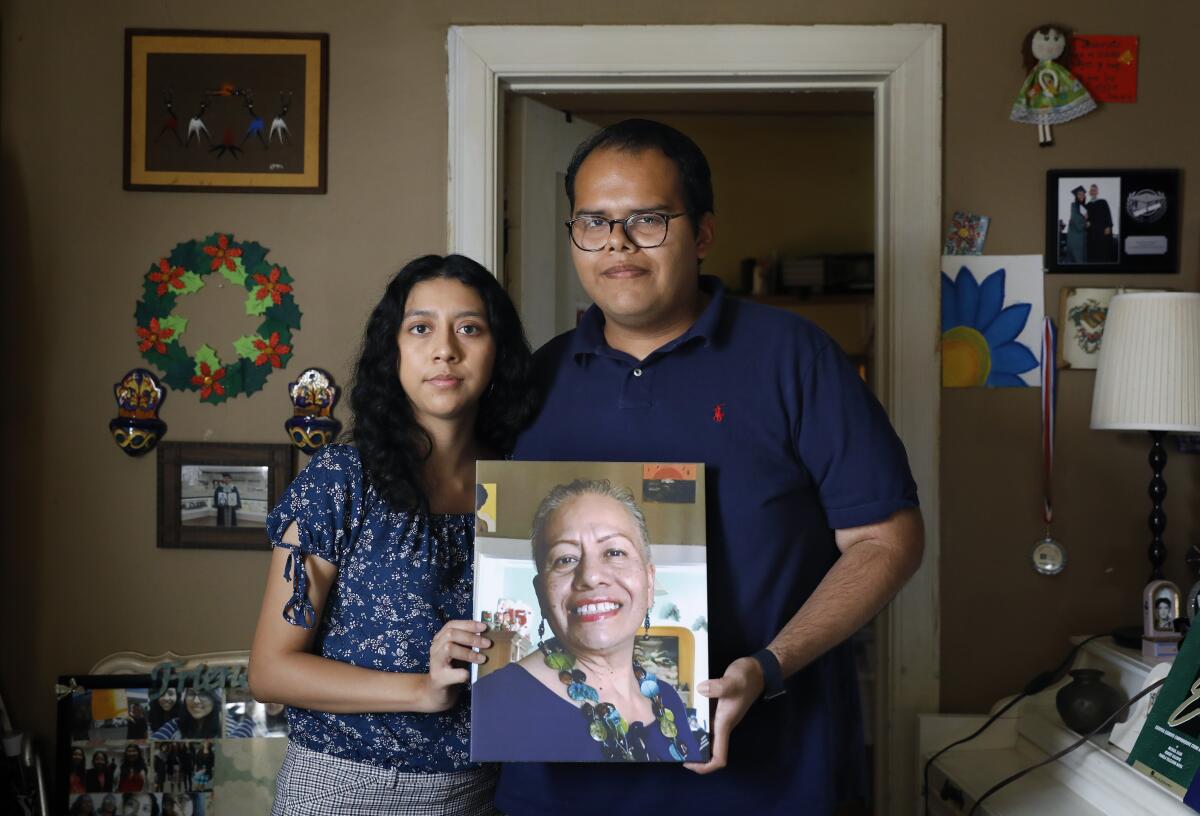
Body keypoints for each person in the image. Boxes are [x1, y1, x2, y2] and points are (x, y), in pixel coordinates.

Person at [500, 119, 923, 815]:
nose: (617, 244)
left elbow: (888, 541)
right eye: (594, 222)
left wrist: (771, 665)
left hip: (768, 782)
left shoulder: (794, 358)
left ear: (701, 234)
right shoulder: (530, 381)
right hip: (562, 787)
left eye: (648, 220)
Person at [248, 254, 536, 815]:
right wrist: (420, 690)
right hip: (344, 789)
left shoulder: (524, 487)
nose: (445, 349)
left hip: (482, 794)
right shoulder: (341, 479)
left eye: (470, 328)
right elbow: (270, 670)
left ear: (498, 351)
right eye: (421, 327)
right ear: (394, 351)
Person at [472, 479, 701, 762]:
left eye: (615, 552)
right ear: (541, 593)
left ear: (649, 582)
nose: (591, 576)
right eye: (565, 559)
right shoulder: (492, 704)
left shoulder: (667, 699)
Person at [150, 689, 221, 740]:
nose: (196, 701)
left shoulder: (225, 726)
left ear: (215, 698)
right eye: (191, 693)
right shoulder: (175, 724)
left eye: (204, 694)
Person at [1086, 183, 1115, 263]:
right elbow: (1086, 219)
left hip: (1103, 230)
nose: (1093, 191)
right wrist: (1087, 222)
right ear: (1089, 192)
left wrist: (1109, 226)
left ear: (1097, 192)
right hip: (1093, 232)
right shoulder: (1087, 205)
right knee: (1093, 252)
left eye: (1095, 190)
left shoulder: (1103, 202)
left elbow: (1108, 214)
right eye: (1091, 190)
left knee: (1104, 251)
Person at [1065, 185, 1088, 263]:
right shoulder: (1074, 206)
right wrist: (1086, 223)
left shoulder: (1085, 207)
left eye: (1083, 194)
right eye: (1079, 194)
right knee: (1078, 262)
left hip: (1083, 239)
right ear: (1076, 196)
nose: (1082, 196)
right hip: (1076, 239)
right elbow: (1076, 222)